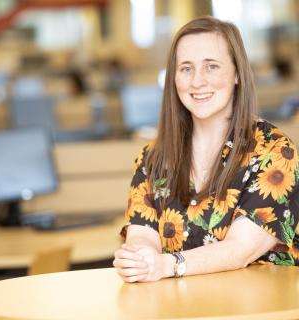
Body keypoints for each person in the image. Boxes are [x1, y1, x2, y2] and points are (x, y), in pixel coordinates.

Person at [113, 16, 299, 282]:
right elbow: (142, 234)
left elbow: (241, 249)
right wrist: (140, 259)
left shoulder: (274, 151)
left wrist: (167, 265)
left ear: (237, 73)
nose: (197, 81)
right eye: (186, 68)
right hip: (180, 309)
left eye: (211, 66)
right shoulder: (154, 158)